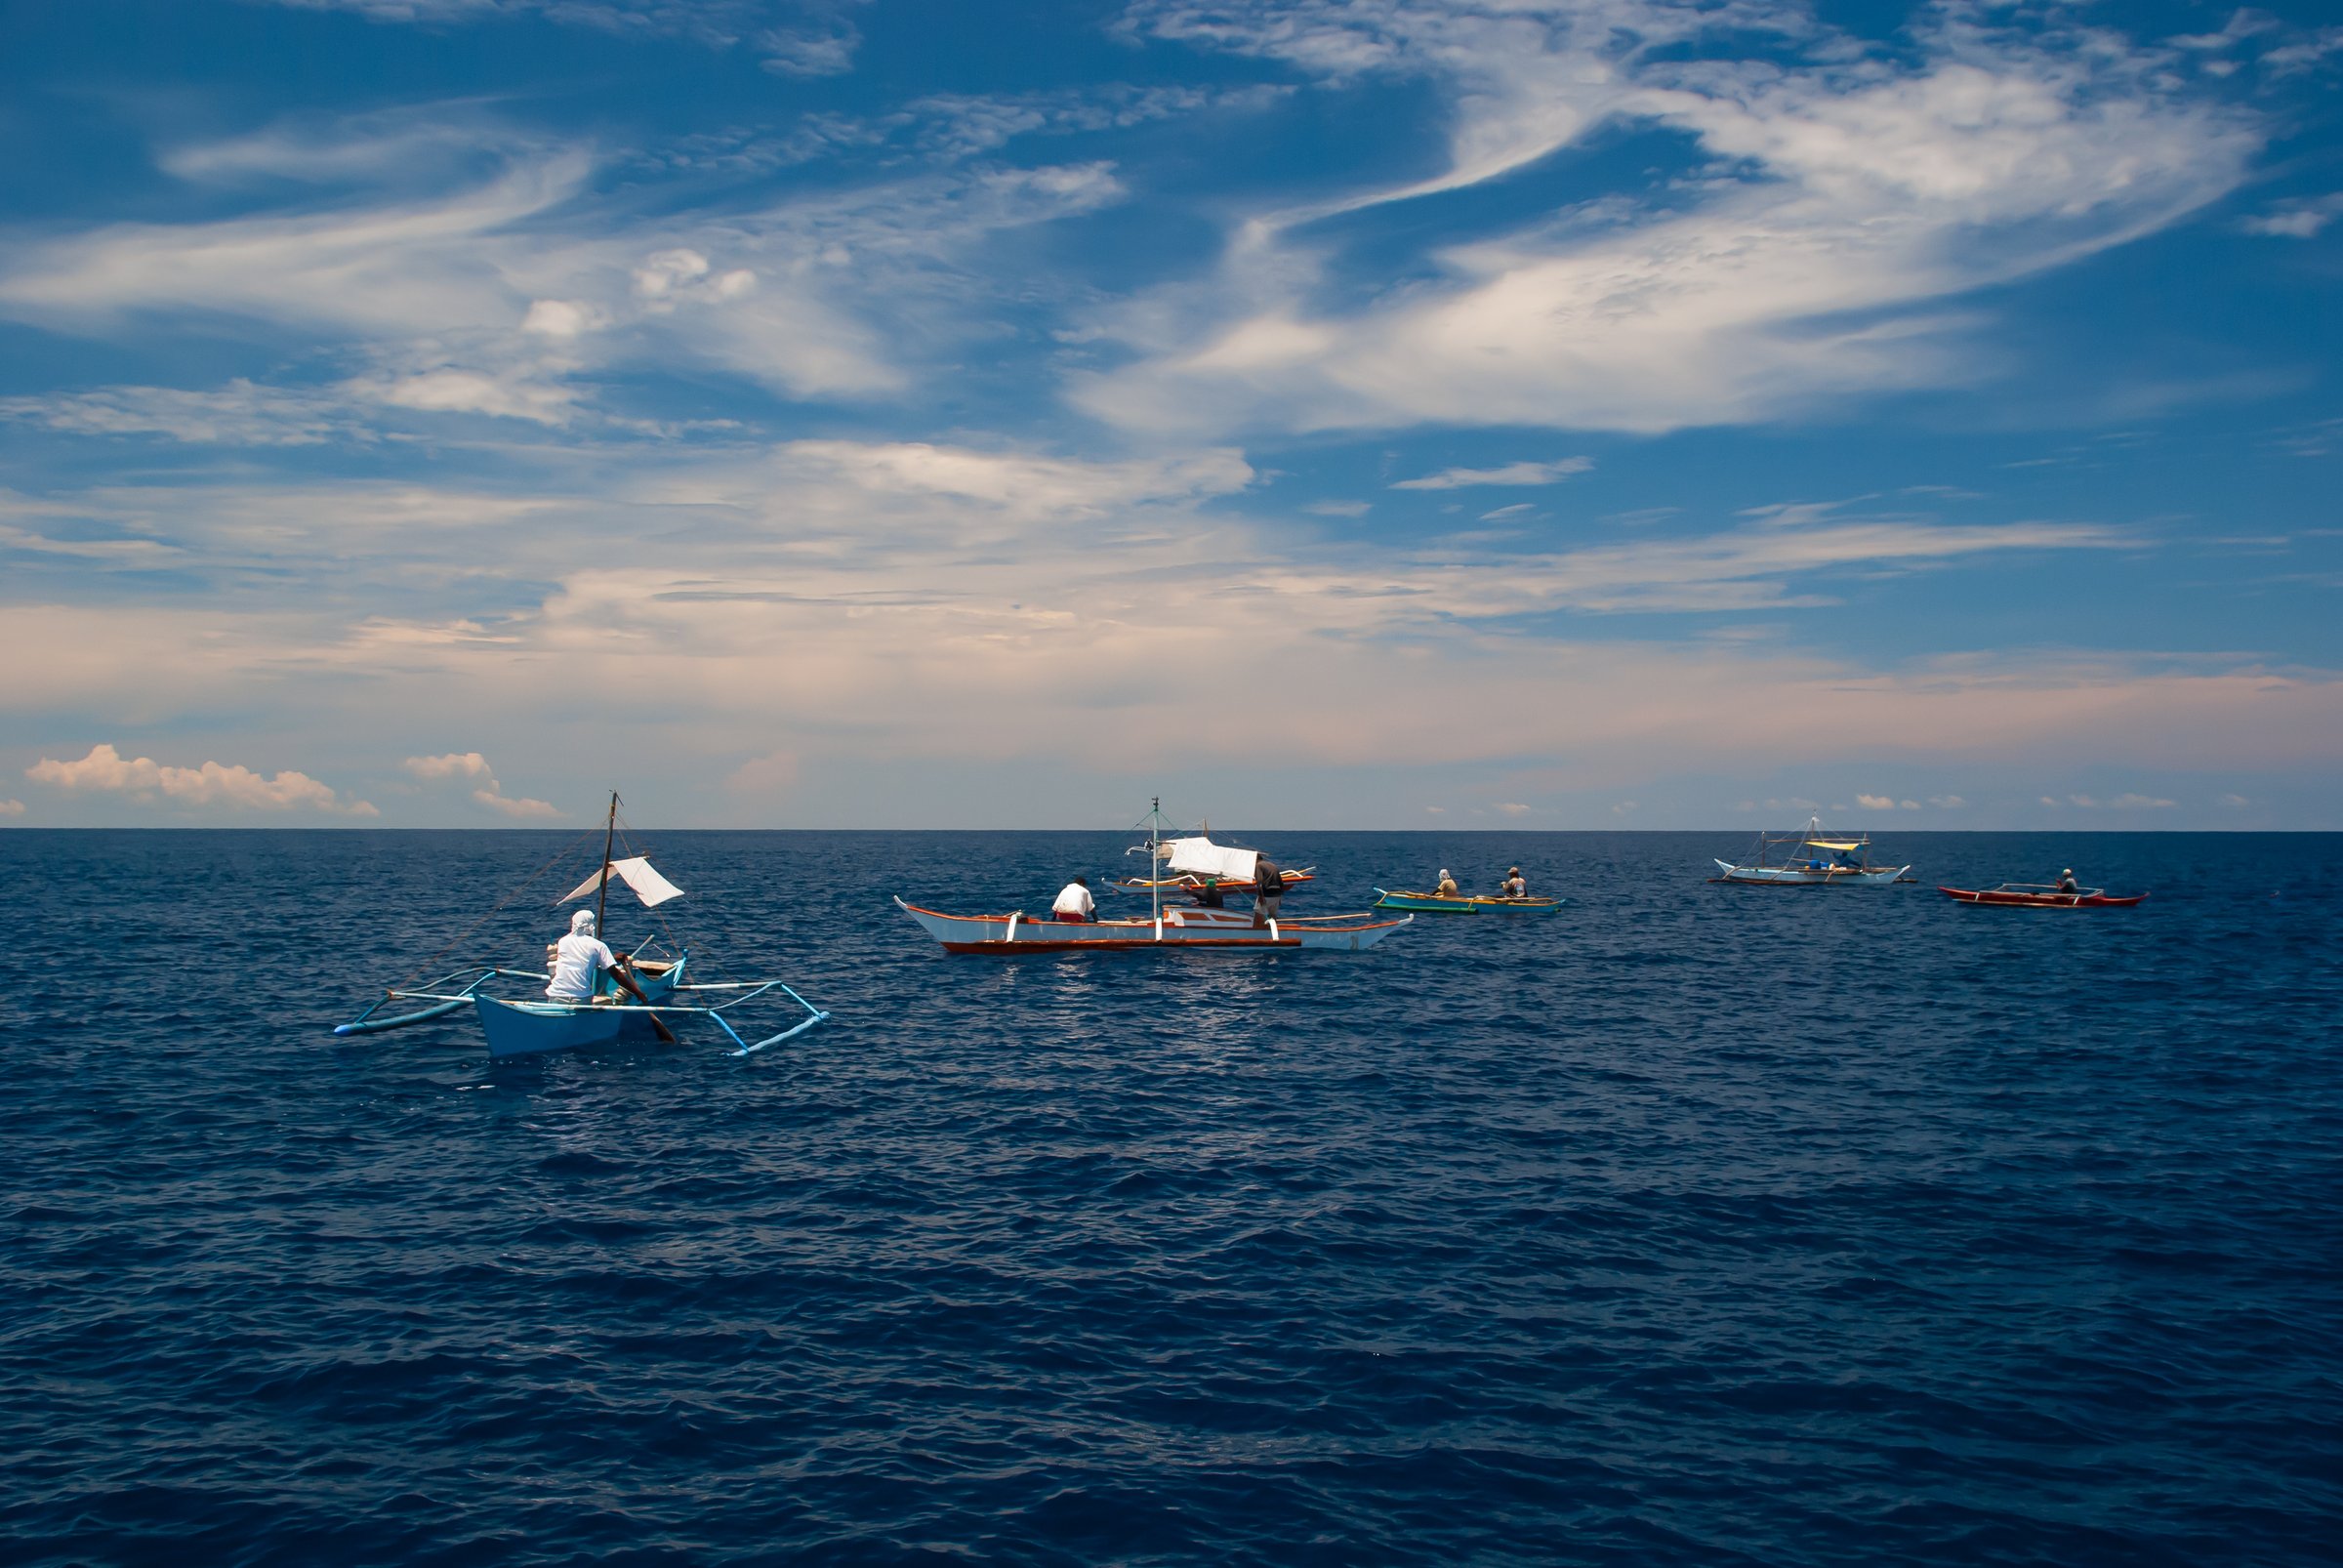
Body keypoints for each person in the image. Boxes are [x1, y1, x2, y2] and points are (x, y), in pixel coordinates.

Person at [546, 909, 674, 1040]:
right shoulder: (598, 946)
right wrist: (638, 993)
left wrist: (611, 958)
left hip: (554, 995)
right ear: (591, 925)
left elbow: (581, 958)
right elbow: (615, 974)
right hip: (580, 999)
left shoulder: (563, 942)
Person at [1253, 859, 1285, 928]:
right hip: (1277, 895)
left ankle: (1256, 933)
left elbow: (1259, 882)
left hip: (1266, 894)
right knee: (1272, 917)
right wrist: (1280, 897)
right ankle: (1271, 932)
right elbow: (1281, 882)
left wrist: (1260, 896)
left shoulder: (1258, 865)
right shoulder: (1273, 865)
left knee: (1259, 916)